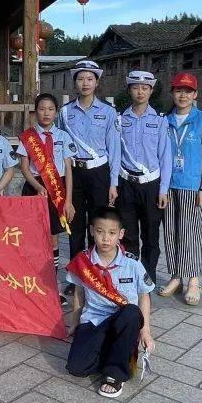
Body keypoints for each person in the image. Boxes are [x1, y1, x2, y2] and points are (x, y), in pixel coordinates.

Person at [65, 206, 156, 398]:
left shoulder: (132, 263)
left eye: (112, 233)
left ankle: (115, 374)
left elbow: (144, 296)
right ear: (91, 231)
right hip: (94, 320)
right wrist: (74, 323)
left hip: (123, 321)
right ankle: (118, 352)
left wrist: (146, 331)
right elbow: (79, 294)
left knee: (131, 312)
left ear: (121, 234)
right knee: (76, 368)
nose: (106, 238)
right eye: (100, 232)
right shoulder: (83, 261)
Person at [157, 72, 202, 306]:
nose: (183, 95)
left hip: (193, 187)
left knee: (191, 234)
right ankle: (176, 276)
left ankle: (193, 280)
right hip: (169, 186)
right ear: (172, 93)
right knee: (171, 233)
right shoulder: (165, 120)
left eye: (188, 91)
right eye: (179, 90)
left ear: (195, 94)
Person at [58, 60, 121, 260]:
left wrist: (113, 183)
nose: (85, 83)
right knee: (74, 223)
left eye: (90, 79)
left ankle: (95, 270)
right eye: (81, 79)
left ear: (96, 82)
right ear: (75, 82)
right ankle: (77, 272)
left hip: (99, 173)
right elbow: (59, 145)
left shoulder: (108, 112)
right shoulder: (65, 112)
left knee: (97, 224)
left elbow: (114, 149)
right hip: (73, 173)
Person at [116, 70, 172, 285]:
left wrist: (163, 189)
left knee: (150, 234)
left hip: (151, 185)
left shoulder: (159, 121)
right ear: (129, 90)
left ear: (151, 91)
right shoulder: (120, 119)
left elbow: (165, 156)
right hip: (127, 183)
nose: (140, 92)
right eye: (136, 87)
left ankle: (148, 276)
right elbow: (115, 154)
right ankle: (131, 274)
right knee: (128, 233)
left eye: (145, 88)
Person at [17, 93, 76, 270]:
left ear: (56, 112)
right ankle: (31, 274)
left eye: (50, 109)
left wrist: (69, 201)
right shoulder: (27, 137)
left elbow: (68, 169)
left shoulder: (63, 136)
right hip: (34, 188)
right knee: (32, 234)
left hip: (58, 188)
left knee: (53, 236)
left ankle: (52, 277)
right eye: (42, 109)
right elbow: (25, 168)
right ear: (35, 112)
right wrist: (37, 186)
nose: (46, 113)